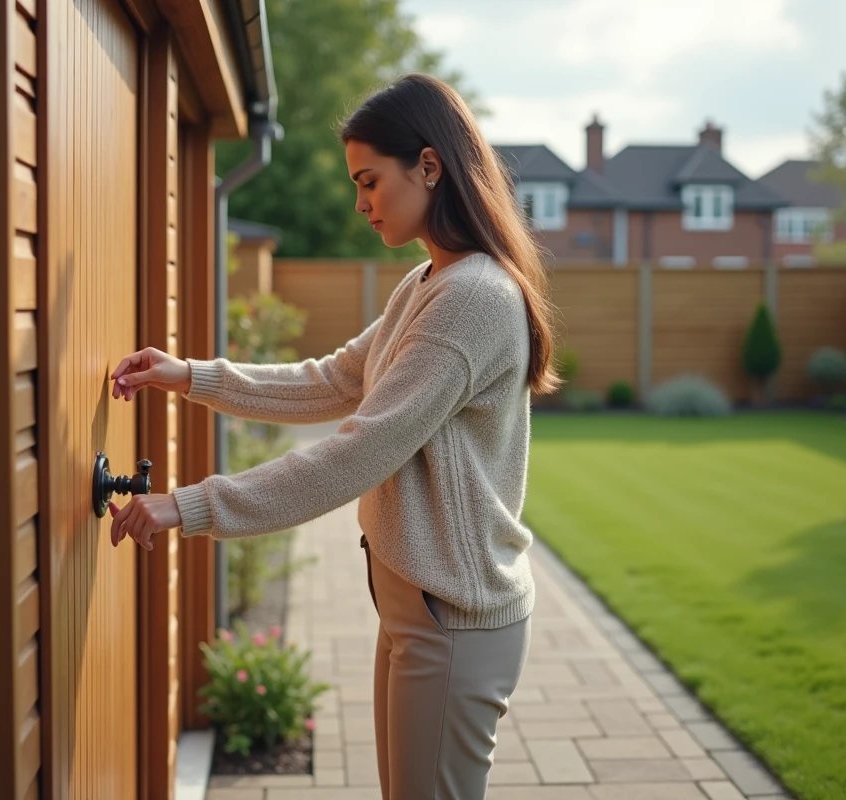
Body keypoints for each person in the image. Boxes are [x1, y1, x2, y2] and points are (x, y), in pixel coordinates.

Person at [108, 72, 563, 800]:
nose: (360, 204)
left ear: (429, 166)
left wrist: (186, 506)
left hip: (452, 623)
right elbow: (332, 379)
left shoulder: (472, 299)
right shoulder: (426, 284)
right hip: (418, 609)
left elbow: (359, 450)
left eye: (369, 181)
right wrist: (189, 374)